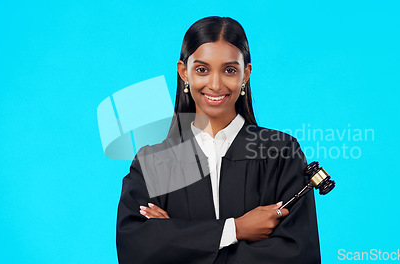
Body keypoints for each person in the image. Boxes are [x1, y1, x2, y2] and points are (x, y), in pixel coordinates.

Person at [116, 16, 321, 263]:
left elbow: (297, 255)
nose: (215, 84)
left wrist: (177, 241)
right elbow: (136, 248)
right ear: (184, 72)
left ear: (245, 74)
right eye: (202, 69)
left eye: (229, 70)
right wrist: (234, 229)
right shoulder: (153, 162)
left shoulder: (280, 152)